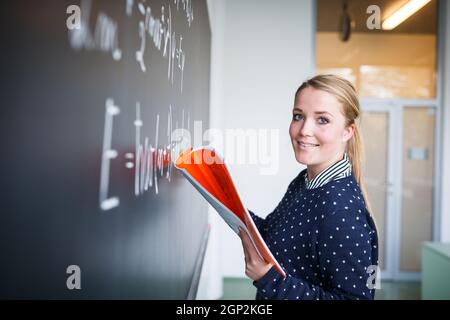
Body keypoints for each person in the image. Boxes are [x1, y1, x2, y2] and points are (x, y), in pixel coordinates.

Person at [239, 74, 379, 300]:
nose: (304, 130)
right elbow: (275, 235)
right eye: (298, 116)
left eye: (322, 120)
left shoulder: (341, 208)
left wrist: (269, 279)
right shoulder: (304, 181)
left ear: (348, 131)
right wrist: (227, 202)